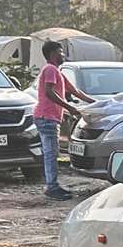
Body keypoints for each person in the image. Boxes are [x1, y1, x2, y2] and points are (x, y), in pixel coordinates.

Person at [33, 40, 94, 200]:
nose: (63, 55)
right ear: (53, 54)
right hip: (46, 117)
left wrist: (95, 103)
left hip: (49, 117)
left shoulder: (57, 72)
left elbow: (75, 90)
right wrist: (70, 107)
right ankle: (52, 187)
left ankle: (53, 185)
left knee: (52, 152)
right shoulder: (50, 69)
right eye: (61, 52)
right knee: (51, 153)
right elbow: (49, 92)